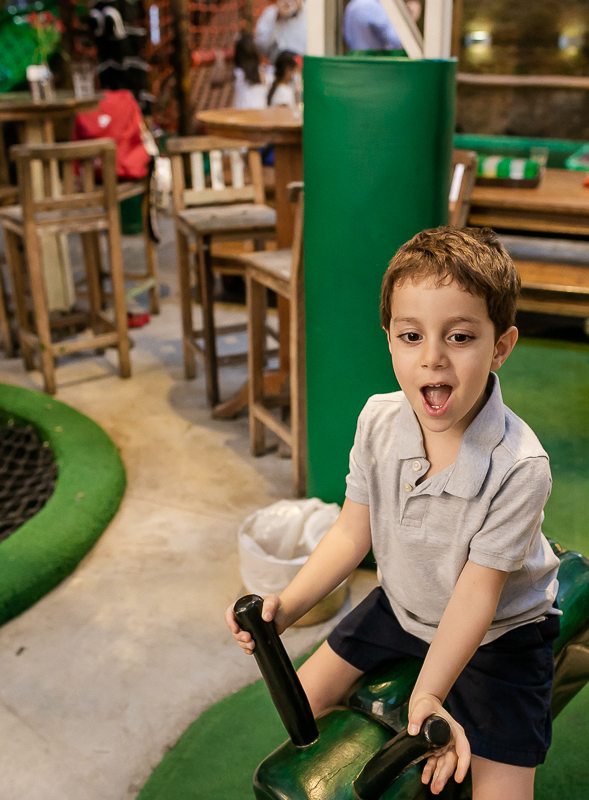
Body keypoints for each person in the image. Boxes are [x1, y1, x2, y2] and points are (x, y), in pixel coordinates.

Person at [227, 228, 562, 799]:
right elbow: (353, 530)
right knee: (302, 698)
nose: (432, 356)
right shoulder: (378, 421)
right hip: (405, 602)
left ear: (500, 346)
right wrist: (289, 606)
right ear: (390, 340)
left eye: (459, 336)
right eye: (412, 335)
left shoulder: (520, 466)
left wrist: (430, 691)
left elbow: (477, 596)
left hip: (499, 634)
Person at [212, 33, 269, 110]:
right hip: (260, 112)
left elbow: (215, 81)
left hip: (242, 113)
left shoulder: (238, 73)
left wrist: (219, 62)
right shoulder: (263, 72)